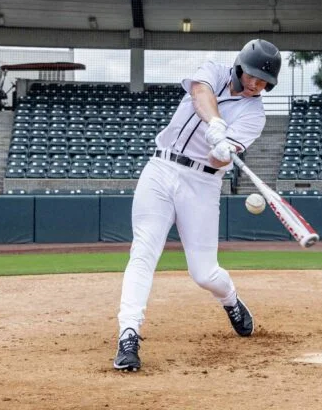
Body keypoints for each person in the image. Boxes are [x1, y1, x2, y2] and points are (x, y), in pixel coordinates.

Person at [113, 39, 282, 372]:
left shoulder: (255, 115)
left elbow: (218, 162)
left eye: (264, 82)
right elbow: (200, 94)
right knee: (144, 252)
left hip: (202, 183)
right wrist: (216, 125)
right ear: (239, 66)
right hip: (161, 169)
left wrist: (221, 153)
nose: (256, 85)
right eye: (253, 76)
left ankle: (230, 299)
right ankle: (128, 334)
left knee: (204, 273)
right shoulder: (213, 70)